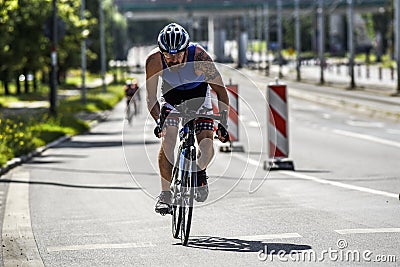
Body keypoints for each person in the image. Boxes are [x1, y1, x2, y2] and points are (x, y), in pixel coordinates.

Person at [145, 22, 230, 215]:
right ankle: (165, 195)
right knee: (168, 138)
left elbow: (221, 92)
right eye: (168, 54)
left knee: (207, 145)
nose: (173, 59)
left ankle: (198, 171)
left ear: (186, 50)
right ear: (161, 52)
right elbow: (151, 98)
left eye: (178, 54)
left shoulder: (200, 58)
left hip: (199, 99)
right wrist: (159, 120)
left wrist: (223, 124)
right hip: (172, 99)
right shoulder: (154, 61)